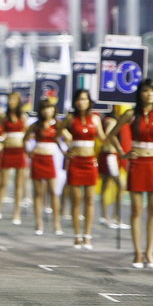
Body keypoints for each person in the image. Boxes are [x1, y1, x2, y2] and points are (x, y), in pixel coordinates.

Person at [103, 79, 153, 268]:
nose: (149, 94)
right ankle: (137, 254)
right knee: (136, 209)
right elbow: (111, 134)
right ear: (140, 94)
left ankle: (150, 253)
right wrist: (123, 153)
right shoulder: (131, 114)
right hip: (137, 162)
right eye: (146, 91)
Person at [58, 90, 101, 249]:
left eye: (84, 99)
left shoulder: (95, 119)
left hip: (90, 161)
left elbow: (103, 137)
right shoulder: (70, 119)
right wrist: (64, 151)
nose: (81, 102)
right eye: (79, 99)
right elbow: (57, 134)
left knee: (90, 200)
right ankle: (77, 235)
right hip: (75, 162)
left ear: (89, 101)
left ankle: (87, 236)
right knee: (76, 200)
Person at [27, 103, 62, 237]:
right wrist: (29, 152)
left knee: (53, 191)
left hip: (51, 158)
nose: (47, 111)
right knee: (38, 192)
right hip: (38, 158)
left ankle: (56, 223)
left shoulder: (57, 124)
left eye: (50, 108)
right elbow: (25, 138)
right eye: (45, 108)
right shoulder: (36, 125)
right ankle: (39, 223)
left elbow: (67, 137)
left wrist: (65, 150)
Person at [0, 95, 30, 225]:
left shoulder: (23, 117)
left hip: (19, 150)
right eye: (10, 100)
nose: (11, 102)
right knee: (3, 181)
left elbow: (28, 132)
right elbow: (0, 131)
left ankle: (16, 213)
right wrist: (1, 139)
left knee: (19, 184)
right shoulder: (4, 117)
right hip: (7, 150)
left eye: (13, 100)